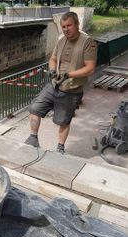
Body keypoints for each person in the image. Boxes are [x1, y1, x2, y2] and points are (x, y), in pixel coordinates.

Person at [24, 11, 97, 154]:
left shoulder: (88, 43)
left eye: (69, 25)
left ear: (77, 24)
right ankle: (33, 139)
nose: (66, 29)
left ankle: (60, 149)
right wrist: (52, 70)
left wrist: (68, 75)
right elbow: (53, 59)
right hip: (54, 85)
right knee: (34, 108)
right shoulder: (61, 39)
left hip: (71, 90)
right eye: (63, 26)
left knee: (63, 121)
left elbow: (90, 68)